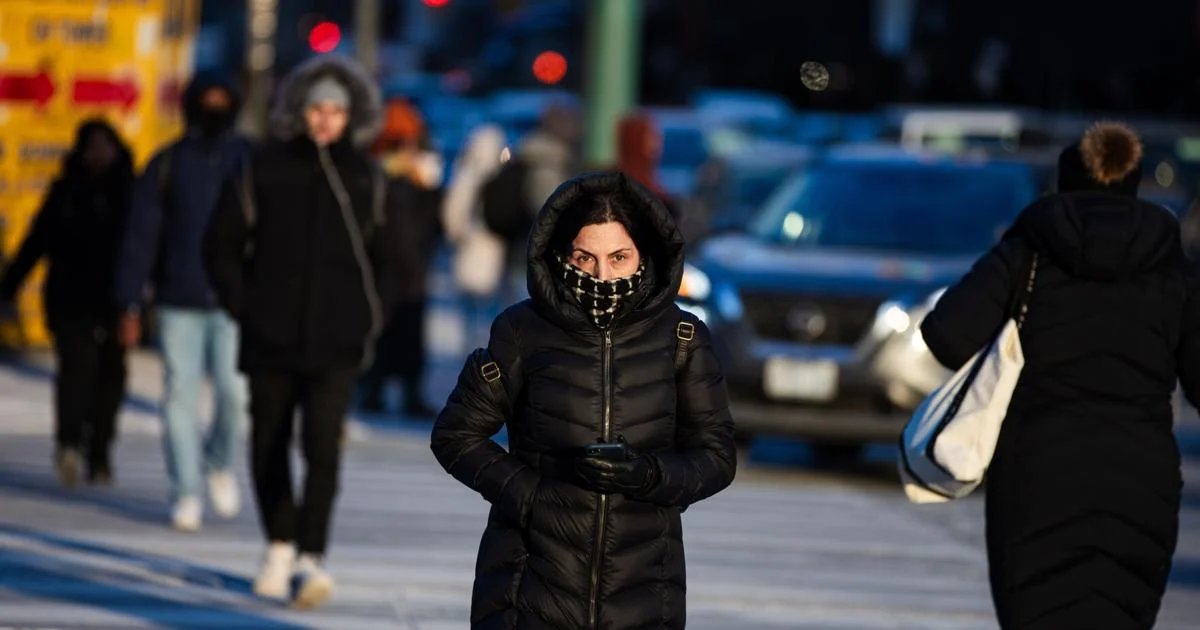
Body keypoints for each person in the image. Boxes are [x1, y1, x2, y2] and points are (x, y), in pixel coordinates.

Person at [431, 172, 738, 628]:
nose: (601, 274)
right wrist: (531, 496)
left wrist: (650, 475)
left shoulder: (683, 337)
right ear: (560, 255)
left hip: (643, 589)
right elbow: (456, 434)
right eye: (584, 256)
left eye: (619, 258)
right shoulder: (522, 330)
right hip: (528, 584)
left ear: (644, 255)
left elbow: (716, 456)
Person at [920, 122, 1189, 629]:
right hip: (1139, 478)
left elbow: (945, 336)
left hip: (1037, 474)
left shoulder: (1029, 250)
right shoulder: (1172, 264)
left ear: (1065, 182)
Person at [203, 55, 402, 609]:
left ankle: (311, 555)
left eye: (336, 111)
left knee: (322, 448)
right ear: (299, 110)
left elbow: (394, 259)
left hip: (337, 340)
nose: (325, 120)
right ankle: (279, 543)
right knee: (267, 443)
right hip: (268, 335)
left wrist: (373, 314)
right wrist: (242, 304)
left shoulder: (367, 177)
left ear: (351, 116)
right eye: (317, 108)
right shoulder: (261, 167)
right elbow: (220, 245)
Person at [114, 74, 253, 532]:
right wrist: (130, 302)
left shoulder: (250, 158)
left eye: (222, 100)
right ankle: (185, 490)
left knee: (234, 396)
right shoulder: (168, 163)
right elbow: (140, 237)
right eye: (206, 100)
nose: (214, 108)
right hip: (178, 299)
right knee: (179, 397)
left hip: (235, 302)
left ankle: (216, 463)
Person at [0, 119, 133, 488]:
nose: (98, 154)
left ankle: (101, 452)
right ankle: (69, 444)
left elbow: (147, 246)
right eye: (91, 146)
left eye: (104, 146)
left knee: (110, 378)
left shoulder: (129, 193)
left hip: (116, 299)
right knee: (75, 373)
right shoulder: (66, 192)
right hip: (70, 298)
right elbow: (37, 240)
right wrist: (10, 286)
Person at [359, 98, 443, 417]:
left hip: (412, 268)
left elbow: (434, 221)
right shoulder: (379, 174)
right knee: (382, 331)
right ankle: (375, 389)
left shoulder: (422, 177)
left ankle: (406, 392)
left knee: (408, 334)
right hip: (386, 267)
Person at [441, 124, 508, 345]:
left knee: (469, 317)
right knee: (493, 315)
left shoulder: (465, 175)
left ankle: (473, 357)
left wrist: (457, 237)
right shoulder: (502, 177)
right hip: (495, 253)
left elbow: (452, 215)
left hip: (468, 252)